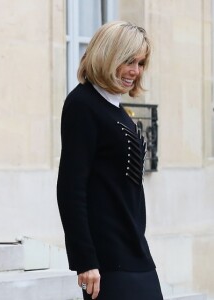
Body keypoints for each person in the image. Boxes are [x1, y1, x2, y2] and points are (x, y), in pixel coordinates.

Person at [57, 21, 163, 300]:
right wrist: (85, 260)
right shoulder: (82, 104)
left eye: (140, 63)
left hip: (134, 250)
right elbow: (71, 188)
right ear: (108, 55)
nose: (135, 71)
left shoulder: (115, 108)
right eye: (129, 61)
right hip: (107, 260)